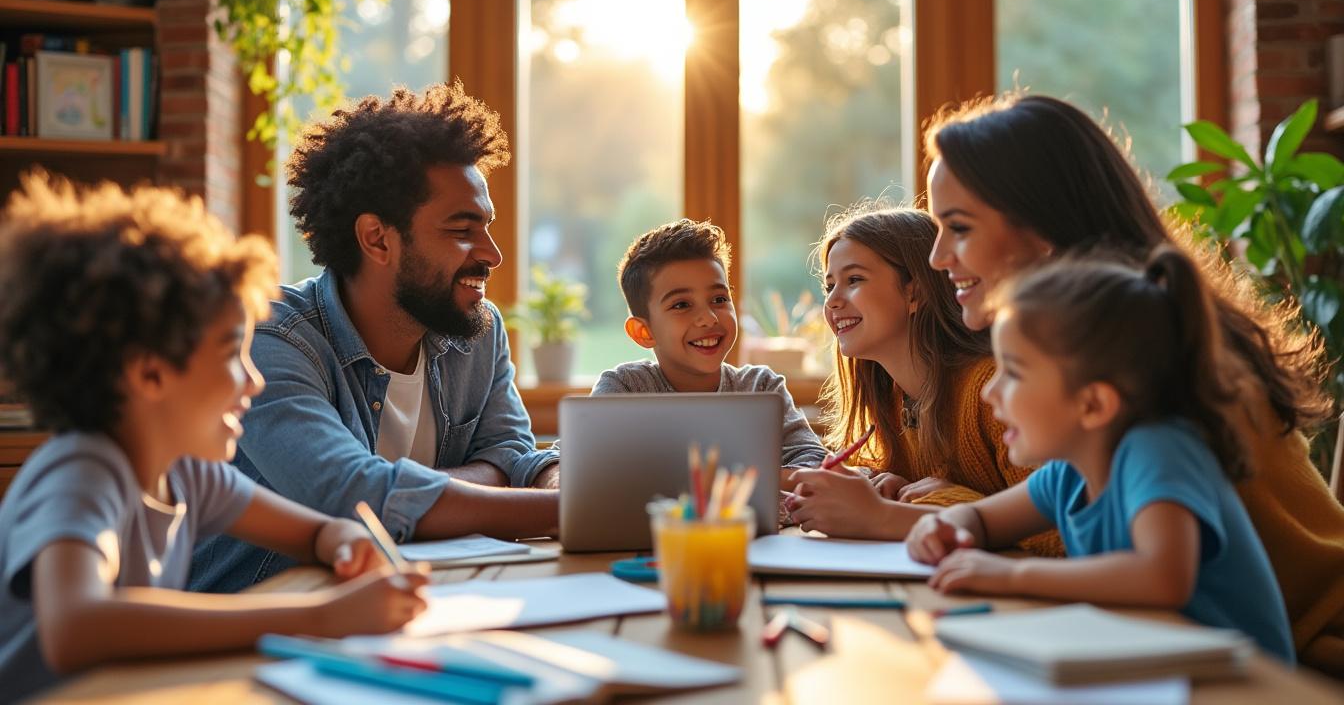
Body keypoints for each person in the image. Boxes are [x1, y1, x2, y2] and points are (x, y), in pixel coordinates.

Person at [924, 92, 1344, 672]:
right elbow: (1054, 509)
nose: (936, 256)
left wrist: (914, 518)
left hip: (1310, 661)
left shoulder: (1169, 374)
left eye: (958, 227)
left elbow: (1118, 558)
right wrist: (950, 519)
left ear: (1042, 229)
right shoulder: (1102, 370)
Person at [0, 175, 427, 700]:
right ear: (149, 372)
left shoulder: (187, 474)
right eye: (231, 354)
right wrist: (319, 616)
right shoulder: (82, 472)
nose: (254, 380)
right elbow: (76, 627)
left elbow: (318, 533)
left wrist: (349, 542)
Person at [191, 82, 558, 594]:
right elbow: (352, 495)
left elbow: (510, 454)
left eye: (487, 227)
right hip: (259, 619)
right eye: (461, 230)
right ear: (377, 239)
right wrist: (568, 508)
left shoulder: (477, 330)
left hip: (412, 601)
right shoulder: (272, 337)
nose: (492, 254)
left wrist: (550, 479)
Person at [907, 247, 1294, 663]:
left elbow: (1162, 577)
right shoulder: (1070, 473)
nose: (989, 391)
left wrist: (1014, 575)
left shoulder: (1158, 450)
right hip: (1151, 667)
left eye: (1013, 373)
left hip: (1247, 682)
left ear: (1093, 404)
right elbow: (983, 521)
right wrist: (944, 526)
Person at [785, 206, 1058, 554]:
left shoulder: (993, 391)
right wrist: (899, 489)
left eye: (854, 280)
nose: (833, 302)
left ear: (916, 293)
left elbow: (1061, 532)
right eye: (829, 286)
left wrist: (955, 505)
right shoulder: (890, 403)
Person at [589, 218, 824, 487]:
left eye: (719, 299)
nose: (709, 317)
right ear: (644, 332)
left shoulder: (761, 387)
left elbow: (813, 460)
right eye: (681, 305)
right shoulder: (624, 389)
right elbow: (573, 462)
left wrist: (727, 482)